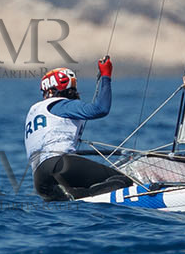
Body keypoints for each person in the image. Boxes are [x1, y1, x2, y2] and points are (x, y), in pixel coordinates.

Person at [25, 58, 133, 200]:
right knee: (123, 181)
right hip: (59, 164)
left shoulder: (34, 111)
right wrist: (106, 76)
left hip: (39, 179)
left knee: (77, 197)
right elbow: (101, 109)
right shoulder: (61, 105)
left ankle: (79, 195)